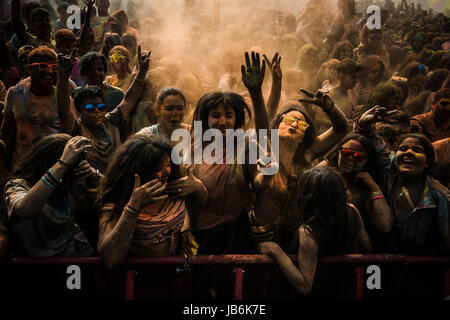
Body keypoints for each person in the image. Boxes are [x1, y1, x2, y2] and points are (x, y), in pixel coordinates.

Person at [97, 133, 207, 267]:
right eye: (156, 169)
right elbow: (109, 258)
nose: (165, 173)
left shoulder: (172, 189)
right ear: (137, 171)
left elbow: (198, 209)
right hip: (138, 280)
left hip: (173, 277)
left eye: (167, 165)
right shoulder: (118, 205)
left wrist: (199, 188)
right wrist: (133, 208)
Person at [258, 166, 371, 295]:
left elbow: (305, 285)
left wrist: (276, 251)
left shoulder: (309, 232)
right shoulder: (352, 211)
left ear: (309, 197)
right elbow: (367, 247)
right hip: (342, 288)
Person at [356, 107, 450, 255]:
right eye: (403, 148)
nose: (408, 153)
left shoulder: (440, 197)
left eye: (417, 150)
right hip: (380, 262)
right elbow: (377, 146)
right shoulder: (390, 168)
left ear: (427, 162)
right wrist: (364, 125)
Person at [57, 46, 150, 173]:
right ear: (79, 111)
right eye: (90, 108)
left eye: (101, 107)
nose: (97, 111)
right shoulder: (77, 129)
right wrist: (62, 76)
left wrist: (142, 73)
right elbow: (63, 111)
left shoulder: (110, 122)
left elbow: (128, 100)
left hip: (113, 183)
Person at [4, 134, 95, 257]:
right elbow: (24, 209)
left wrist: (95, 176)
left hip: (70, 266)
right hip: (32, 268)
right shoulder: (18, 185)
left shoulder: (66, 189)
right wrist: (62, 165)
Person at [0, 46, 74, 178]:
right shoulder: (16, 93)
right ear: (29, 68)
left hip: (52, 170)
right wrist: (3, 166)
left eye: (53, 67)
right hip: (21, 168)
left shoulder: (63, 100)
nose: (49, 72)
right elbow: (7, 130)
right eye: (43, 66)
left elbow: (69, 133)